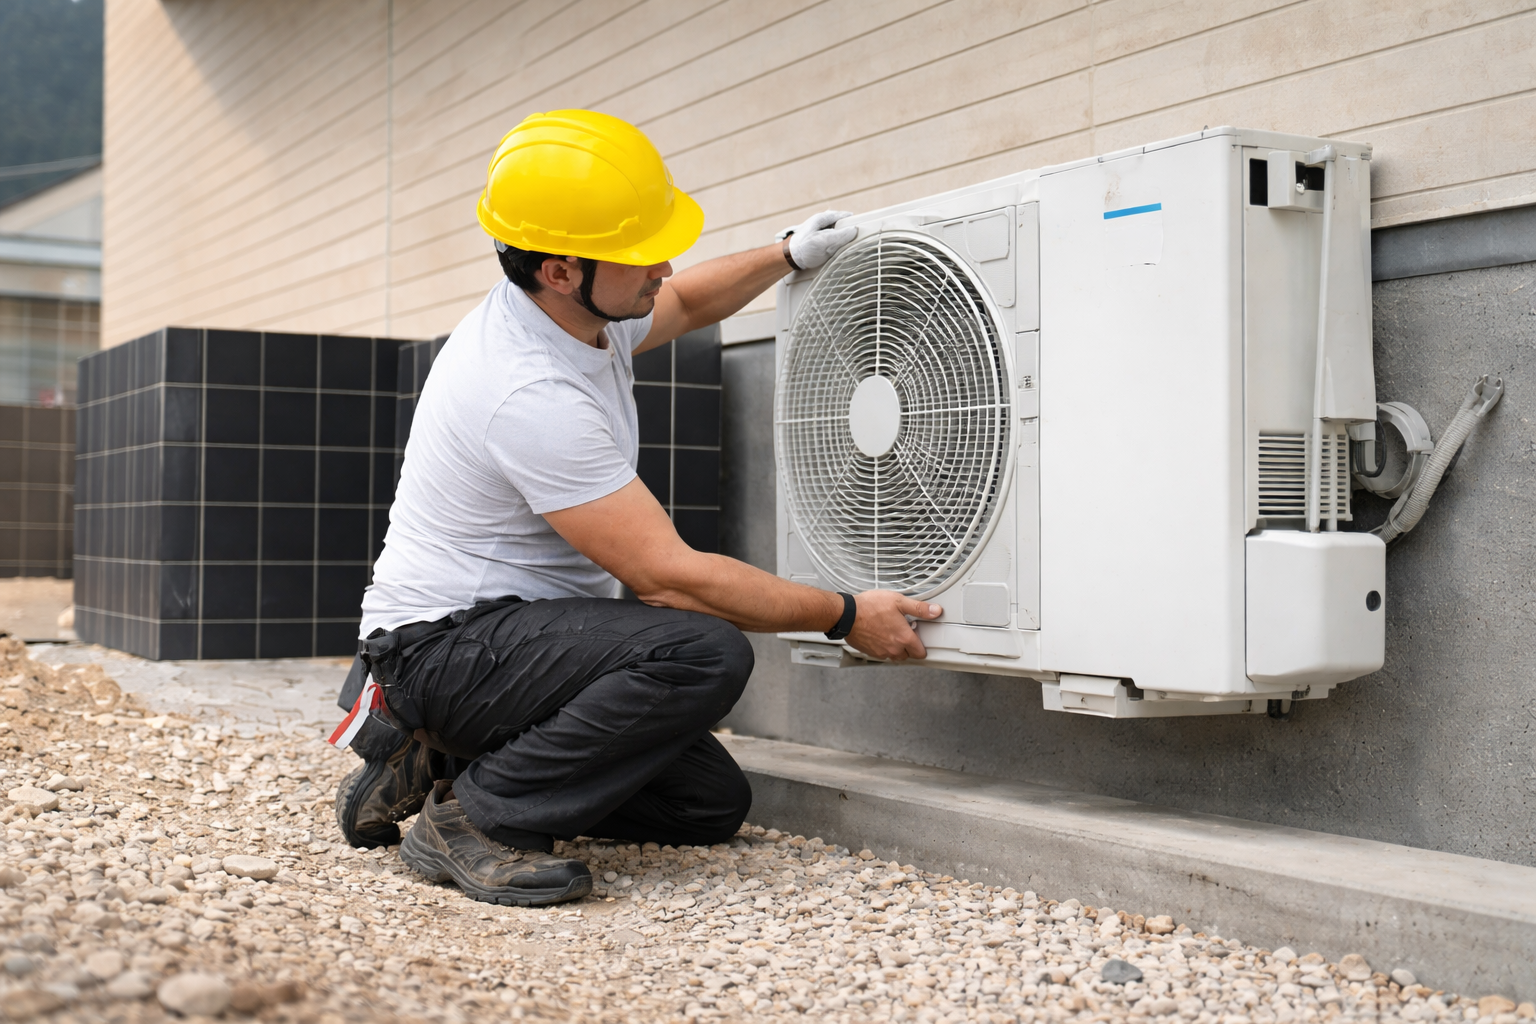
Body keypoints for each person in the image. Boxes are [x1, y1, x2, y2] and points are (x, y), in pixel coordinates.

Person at [331, 109, 942, 907]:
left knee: (706, 805)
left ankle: (443, 758)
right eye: (639, 253)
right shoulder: (524, 387)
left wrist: (788, 253)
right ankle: (475, 821)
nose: (662, 263)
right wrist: (844, 613)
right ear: (559, 268)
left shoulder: (579, 311)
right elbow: (670, 579)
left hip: (502, 644)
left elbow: (684, 303)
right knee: (703, 652)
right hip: (441, 647)